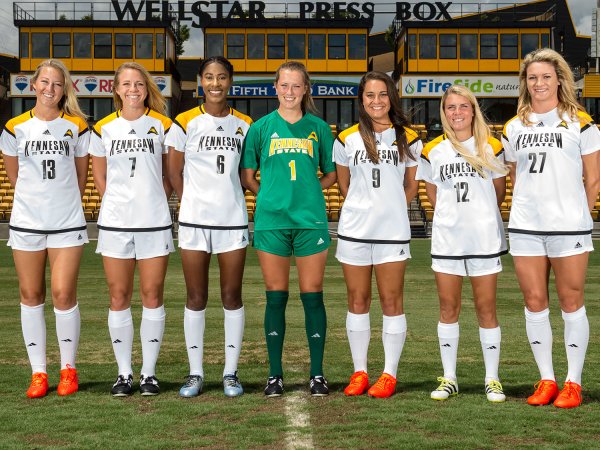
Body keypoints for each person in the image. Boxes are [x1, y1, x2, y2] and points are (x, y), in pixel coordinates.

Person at [502, 48, 600, 408]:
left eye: (546, 76)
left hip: (569, 228)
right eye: (532, 78)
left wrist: (577, 216)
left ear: (559, 79)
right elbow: (514, 174)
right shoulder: (514, 126)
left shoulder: (581, 122)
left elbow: (593, 180)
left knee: (571, 303)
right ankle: (546, 379)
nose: (539, 83)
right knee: (534, 302)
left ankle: (573, 382)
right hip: (527, 226)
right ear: (525, 83)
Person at [241, 61, 336, 397]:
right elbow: (247, 176)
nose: (291, 92)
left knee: (313, 295)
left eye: (297, 86)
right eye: (285, 85)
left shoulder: (320, 128)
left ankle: (317, 374)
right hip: (272, 221)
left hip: (310, 221)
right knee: (275, 296)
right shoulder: (261, 128)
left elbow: (332, 173)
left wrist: (309, 191)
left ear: (305, 89)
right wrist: (270, 197)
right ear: (275, 87)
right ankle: (274, 375)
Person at [0, 59, 89, 398]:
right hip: (27, 223)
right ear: (33, 85)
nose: (50, 88)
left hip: (66, 222)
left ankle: (68, 368)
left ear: (64, 89)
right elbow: (14, 176)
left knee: (63, 295)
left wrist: (60, 204)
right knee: (30, 295)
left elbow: (80, 178)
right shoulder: (14, 127)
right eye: (45, 82)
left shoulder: (77, 127)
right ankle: (39, 372)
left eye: (57, 83)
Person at [166, 56, 252, 398]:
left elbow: (247, 175)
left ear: (230, 81)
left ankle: (230, 372)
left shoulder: (245, 123)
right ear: (200, 81)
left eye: (222, 77)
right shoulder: (184, 122)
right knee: (196, 296)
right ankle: (196, 372)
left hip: (232, 219)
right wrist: (191, 206)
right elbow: (174, 173)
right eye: (209, 77)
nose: (215, 84)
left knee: (232, 296)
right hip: (194, 222)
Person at [416, 85, 508, 402]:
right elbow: (431, 193)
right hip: (448, 240)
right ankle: (449, 377)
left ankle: (492, 378)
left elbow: (498, 193)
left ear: (473, 110)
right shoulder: (433, 150)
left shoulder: (491, 146)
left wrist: (477, 217)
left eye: (463, 106)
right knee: (448, 308)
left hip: (483, 239)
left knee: (486, 309)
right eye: (451, 107)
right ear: (445, 112)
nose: (457, 112)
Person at [333, 71, 421, 398]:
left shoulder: (409, 137)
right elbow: (344, 185)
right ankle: (359, 372)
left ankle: (388, 373)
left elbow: (411, 185)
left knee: (391, 301)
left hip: (392, 232)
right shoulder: (345, 139)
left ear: (391, 97)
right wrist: (364, 207)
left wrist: (392, 207)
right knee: (357, 301)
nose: (376, 101)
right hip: (355, 231)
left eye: (382, 94)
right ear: (362, 100)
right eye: (370, 95)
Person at [90, 62, 174, 397]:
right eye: (126, 84)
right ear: (116, 90)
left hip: (154, 221)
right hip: (116, 223)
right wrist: (118, 204)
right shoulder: (103, 129)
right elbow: (99, 179)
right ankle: (124, 373)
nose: (133, 90)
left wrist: (152, 199)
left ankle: (149, 374)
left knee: (153, 296)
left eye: (139, 84)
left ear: (147, 89)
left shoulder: (164, 125)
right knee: (118, 297)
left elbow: (171, 174)